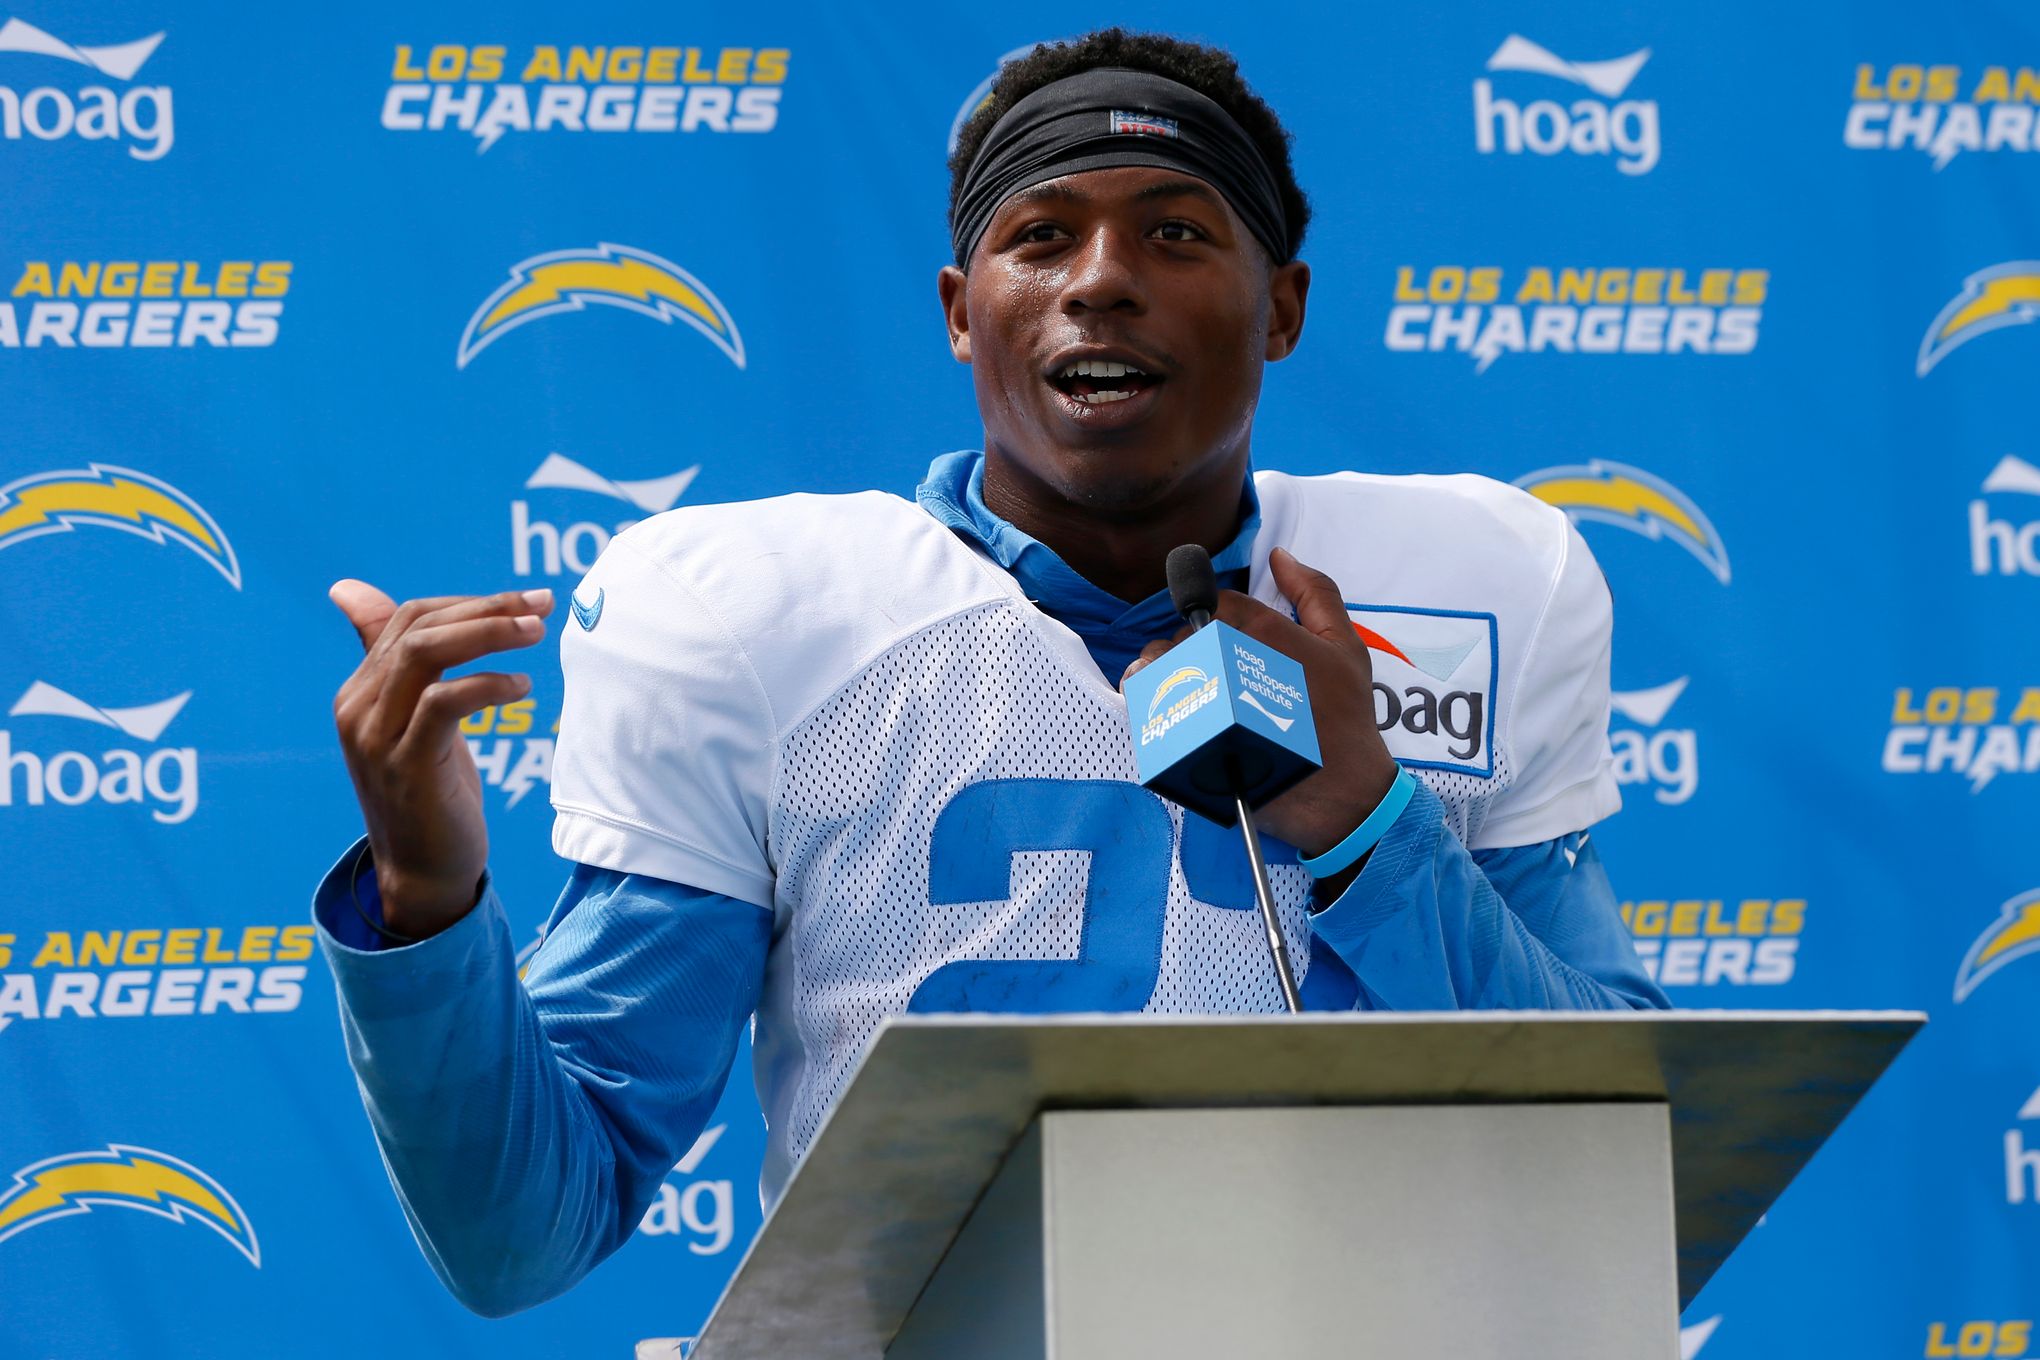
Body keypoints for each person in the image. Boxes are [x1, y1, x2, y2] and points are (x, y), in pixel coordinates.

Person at [315, 28, 1667, 1319]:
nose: (1101, 277)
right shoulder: (757, 620)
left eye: (1177, 231)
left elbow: (1628, 1175)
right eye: (1041, 236)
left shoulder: (1471, 587)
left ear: (1284, 308)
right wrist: (427, 899)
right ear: (964, 315)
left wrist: (1369, 824)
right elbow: (520, 1235)